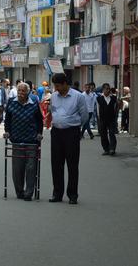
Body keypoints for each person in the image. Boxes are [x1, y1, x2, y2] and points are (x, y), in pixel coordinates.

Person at [48, 73, 88, 204]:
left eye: (58, 85)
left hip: (72, 133)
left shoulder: (78, 97)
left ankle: (72, 195)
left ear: (65, 83)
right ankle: (57, 194)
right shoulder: (54, 96)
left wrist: (73, 126)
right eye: (55, 86)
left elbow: (84, 116)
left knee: (72, 164)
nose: (56, 88)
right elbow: (52, 111)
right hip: (56, 133)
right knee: (56, 164)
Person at [4, 83, 43, 201]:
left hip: (31, 140)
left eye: (23, 91)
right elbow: (8, 120)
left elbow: (39, 120)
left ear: (28, 92)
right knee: (17, 168)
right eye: (19, 90)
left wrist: (39, 133)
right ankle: (19, 192)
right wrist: (7, 131)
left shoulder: (34, 103)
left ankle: (29, 193)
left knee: (31, 168)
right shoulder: (12, 102)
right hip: (16, 139)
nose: (20, 93)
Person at [96, 83, 119, 156]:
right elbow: (97, 109)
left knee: (112, 133)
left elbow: (116, 108)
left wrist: (116, 117)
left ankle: (112, 149)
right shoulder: (99, 98)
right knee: (103, 134)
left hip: (111, 119)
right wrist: (99, 119)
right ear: (103, 90)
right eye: (106, 89)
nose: (108, 90)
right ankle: (106, 149)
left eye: (109, 88)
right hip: (102, 119)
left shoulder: (113, 98)